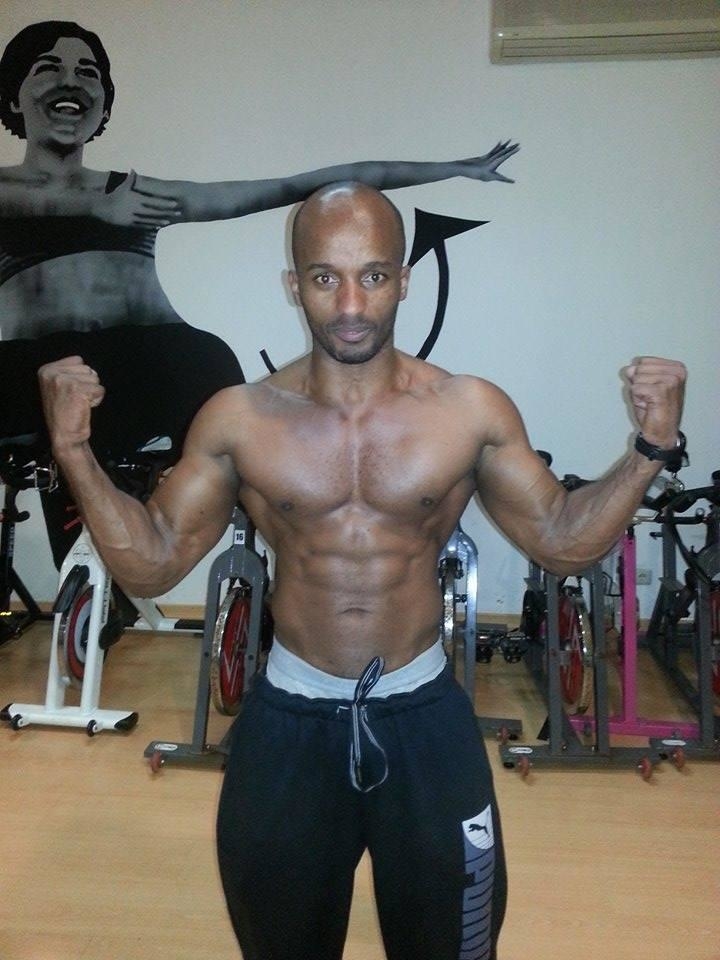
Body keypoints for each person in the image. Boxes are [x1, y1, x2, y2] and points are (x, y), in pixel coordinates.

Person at [37, 182, 686, 960]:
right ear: (294, 285)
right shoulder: (240, 419)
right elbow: (151, 565)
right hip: (289, 720)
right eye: (325, 277)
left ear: (403, 280)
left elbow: (561, 543)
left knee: (454, 947)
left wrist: (649, 450)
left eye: (373, 275)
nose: (350, 304)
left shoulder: (467, 411)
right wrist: (73, 450)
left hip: (424, 717)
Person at [0, 19, 519, 340]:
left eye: (88, 73)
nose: (71, 82)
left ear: (103, 104)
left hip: (154, 359)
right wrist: (92, 208)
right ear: (13, 97)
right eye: (48, 68)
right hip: (29, 369)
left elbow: (297, 185)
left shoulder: (135, 194)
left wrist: (456, 168)